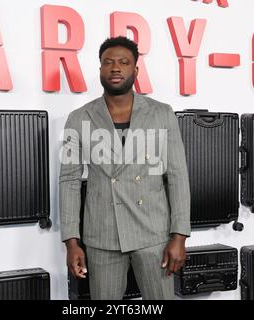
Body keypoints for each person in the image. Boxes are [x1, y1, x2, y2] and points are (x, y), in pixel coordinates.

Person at [59, 36, 191, 300]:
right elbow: (69, 180)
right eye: (108, 62)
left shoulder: (162, 113)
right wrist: (71, 241)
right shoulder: (79, 118)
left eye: (123, 62)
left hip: (154, 234)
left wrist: (179, 236)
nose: (115, 68)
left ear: (136, 69)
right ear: (100, 70)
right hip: (102, 235)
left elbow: (177, 176)